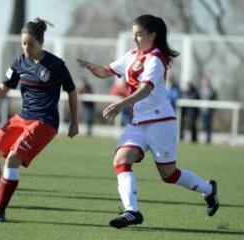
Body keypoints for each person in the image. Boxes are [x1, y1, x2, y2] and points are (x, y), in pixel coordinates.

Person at [77, 14, 219, 229]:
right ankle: (132, 211)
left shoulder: (156, 59)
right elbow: (105, 72)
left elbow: (146, 90)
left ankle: (208, 190)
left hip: (161, 122)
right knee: (121, 160)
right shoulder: (132, 55)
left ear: (153, 35)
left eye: (140, 35)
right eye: (134, 35)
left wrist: (120, 104)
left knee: (169, 175)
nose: (135, 39)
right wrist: (90, 66)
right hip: (138, 124)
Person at [0, 18, 79, 222]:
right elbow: (2, 90)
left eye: (31, 44)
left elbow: (72, 91)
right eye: (24, 43)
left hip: (44, 122)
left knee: (12, 158)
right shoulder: (19, 62)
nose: (26, 48)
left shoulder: (55, 64)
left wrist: (75, 122)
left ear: (41, 42)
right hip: (21, 118)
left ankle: (0, 210)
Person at [200, 77, 217, 143]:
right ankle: (205, 138)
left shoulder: (212, 90)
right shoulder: (201, 90)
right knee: (204, 125)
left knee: (209, 125)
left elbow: (215, 99)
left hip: (209, 111)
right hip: (202, 110)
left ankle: (208, 139)